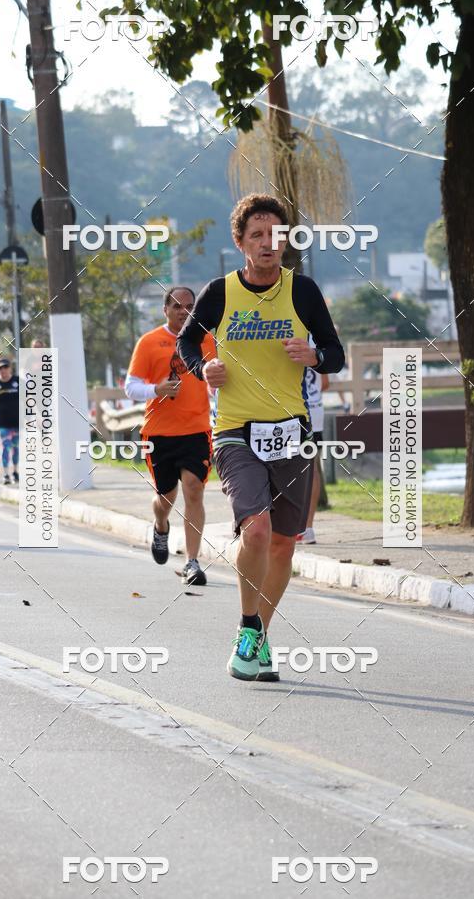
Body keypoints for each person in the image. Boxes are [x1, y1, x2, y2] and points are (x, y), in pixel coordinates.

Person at [178, 193, 344, 681]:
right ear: (240, 242)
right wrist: (202, 367)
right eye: (258, 236)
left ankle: (259, 640)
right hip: (235, 431)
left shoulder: (303, 291)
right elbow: (188, 341)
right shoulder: (220, 292)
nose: (269, 244)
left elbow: (335, 353)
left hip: (292, 431)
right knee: (256, 530)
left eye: (276, 235)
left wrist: (313, 355)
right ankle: (247, 626)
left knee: (284, 545)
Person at [125, 286, 216, 586]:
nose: (183, 310)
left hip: (196, 429)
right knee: (165, 497)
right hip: (159, 433)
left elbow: (216, 383)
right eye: (177, 305)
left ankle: (192, 562)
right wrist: (156, 390)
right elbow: (131, 386)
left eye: (189, 305)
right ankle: (161, 525)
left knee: (193, 489)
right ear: (166, 309)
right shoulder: (149, 342)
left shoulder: (206, 340)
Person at [298, 341, 330, 545]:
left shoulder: (286, 333)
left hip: (292, 408)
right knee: (312, 468)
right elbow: (325, 383)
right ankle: (308, 527)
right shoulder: (318, 341)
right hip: (315, 409)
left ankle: (292, 524)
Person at [0, 359, 20, 485]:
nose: (3, 370)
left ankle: (15, 471)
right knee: (6, 446)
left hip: (17, 422)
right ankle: (6, 473)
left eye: (5, 367)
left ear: (10, 368)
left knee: (15, 448)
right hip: (3, 423)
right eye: (0, 368)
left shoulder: (17, 381)